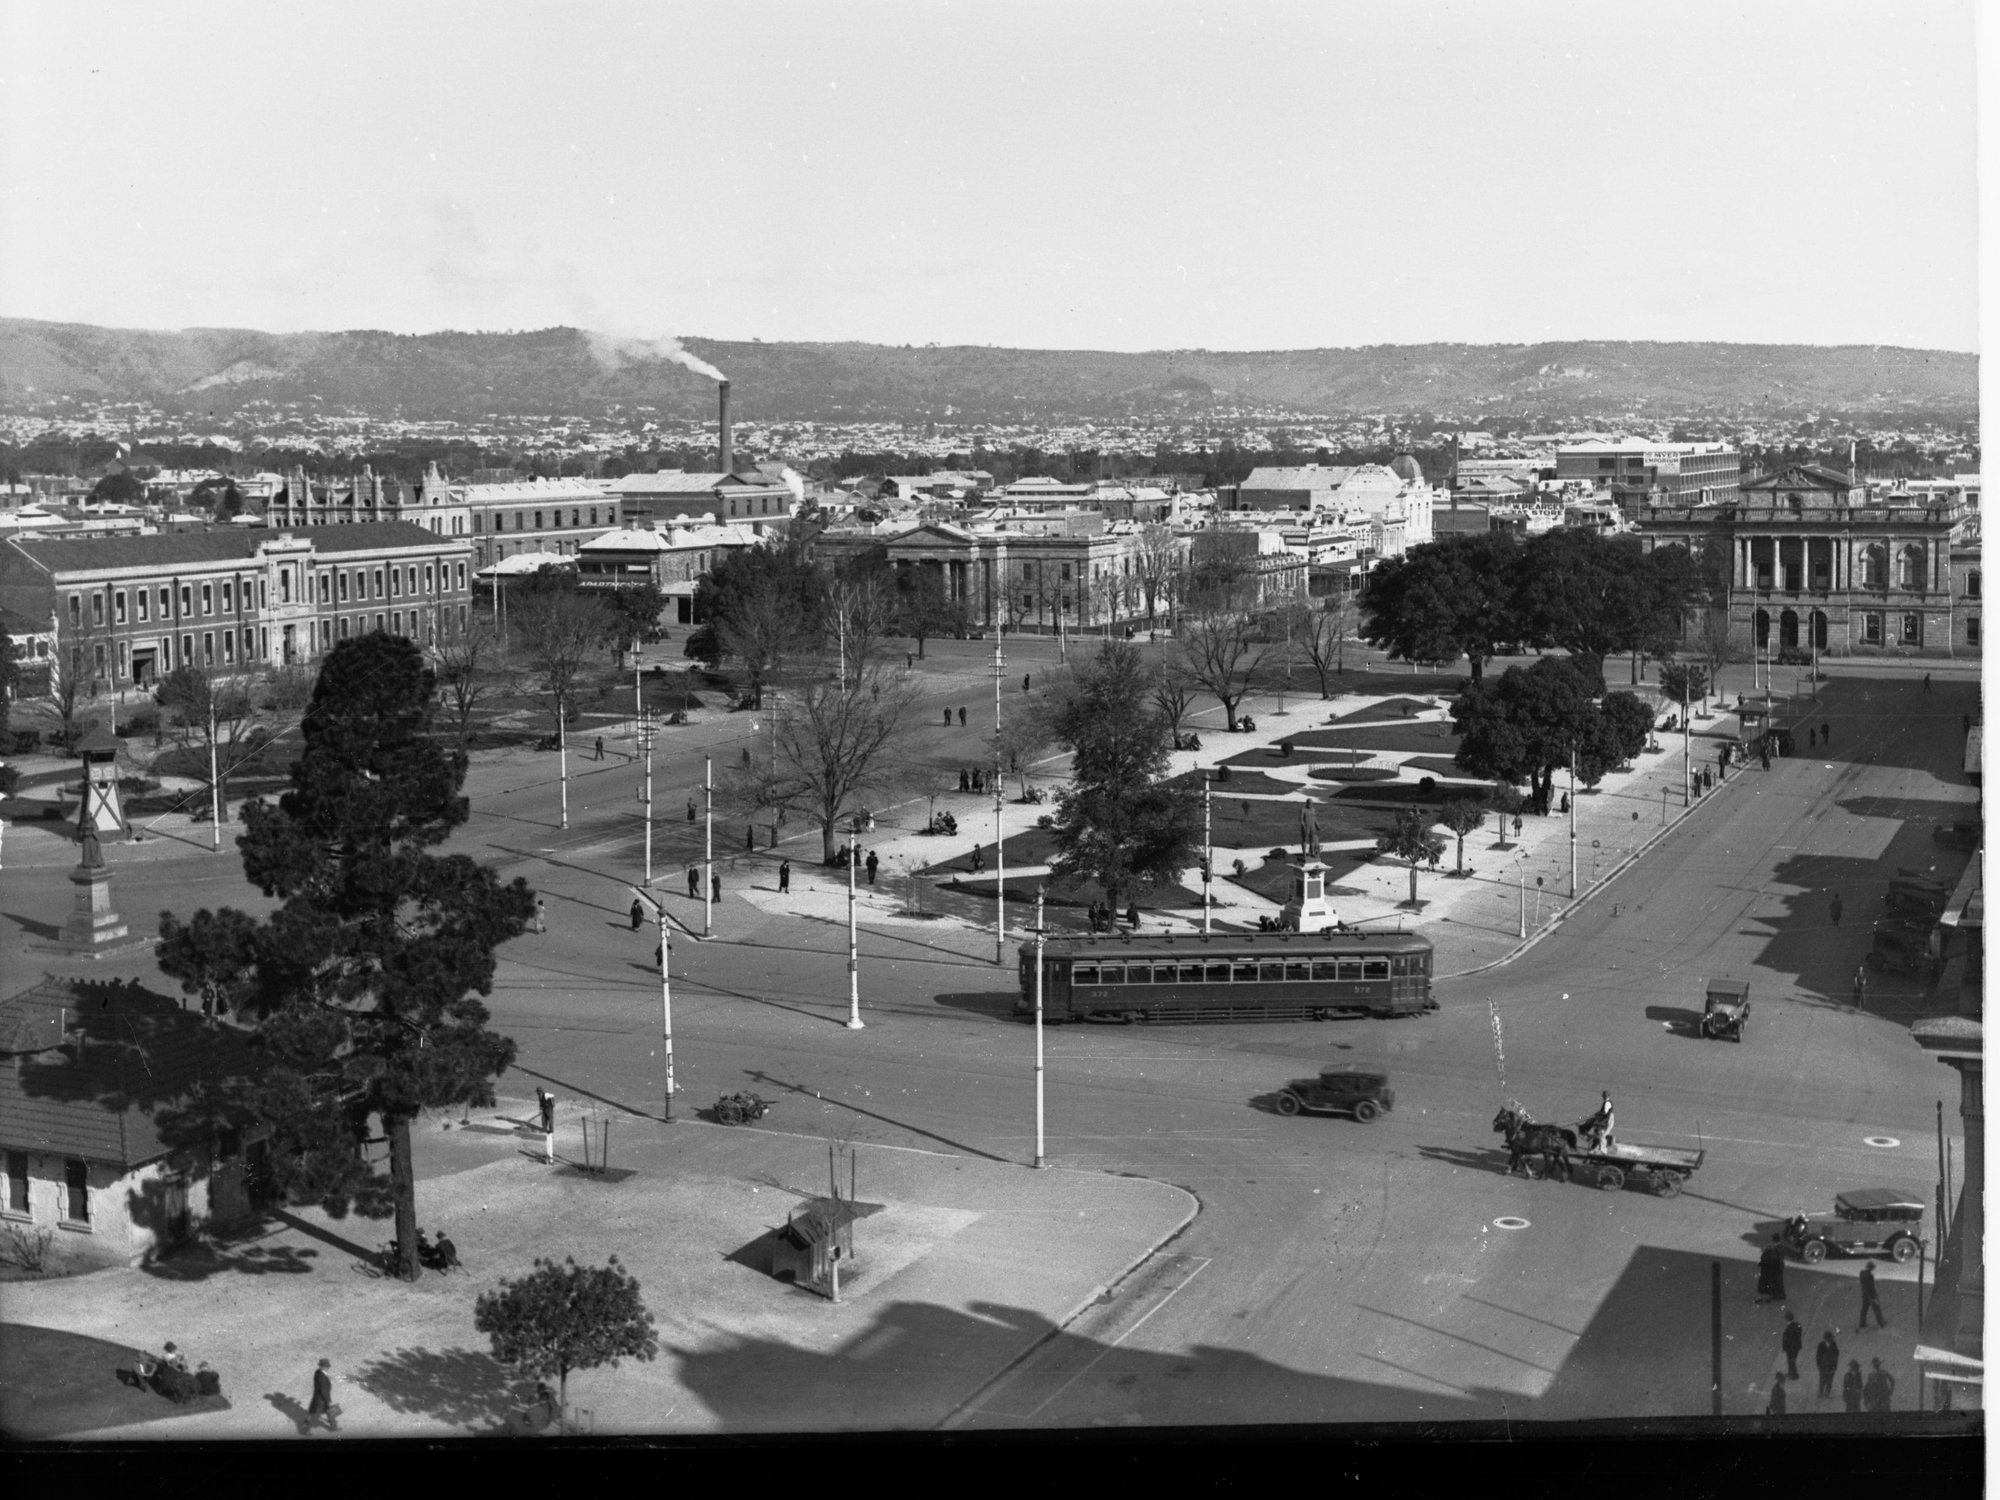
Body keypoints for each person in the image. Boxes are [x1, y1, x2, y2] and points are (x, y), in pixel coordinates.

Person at [308, 1358, 337, 1432]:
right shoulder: (322, 1377)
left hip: (318, 1397)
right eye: (327, 1367)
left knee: (327, 1411)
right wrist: (327, 1400)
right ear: (323, 1367)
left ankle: (332, 1425)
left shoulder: (318, 1372)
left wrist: (328, 1378)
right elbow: (323, 1390)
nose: (328, 1368)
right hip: (322, 1399)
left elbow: (321, 1380)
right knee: (323, 1412)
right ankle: (305, 1429)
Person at [1756, 1236, 1788, 1303]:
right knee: (1778, 1282)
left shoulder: (1774, 1250)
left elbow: (1771, 1260)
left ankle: (1777, 1295)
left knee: (1776, 1282)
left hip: (1776, 1268)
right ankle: (1779, 1295)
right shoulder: (1779, 1248)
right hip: (1778, 1267)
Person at [1858, 1261, 1885, 1329]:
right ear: (1871, 1268)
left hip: (1864, 1294)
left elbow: (1862, 1283)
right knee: (1877, 1309)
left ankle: (1862, 1323)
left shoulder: (1861, 1273)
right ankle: (1881, 1323)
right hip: (1871, 1296)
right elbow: (1871, 1287)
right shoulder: (1870, 1276)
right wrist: (1874, 1297)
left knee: (1864, 1309)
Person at [1815, 1329, 1841, 1399]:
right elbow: (1818, 1356)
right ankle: (1821, 1392)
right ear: (1826, 1338)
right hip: (1823, 1366)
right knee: (1822, 1380)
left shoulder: (1834, 1344)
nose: (1831, 1339)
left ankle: (1827, 1392)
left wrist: (1834, 1365)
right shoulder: (1821, 1345)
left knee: (1830, 1380)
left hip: (1831, 1366)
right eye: (1830, 1338)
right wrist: (1819, 1365)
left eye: (1831, 1338)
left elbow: (1837, 1354)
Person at [1781, 1310, 1803, 1380]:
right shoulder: (1797, 1325)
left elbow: (1787, 1338)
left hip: (1791, 1347)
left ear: (1787, 1318)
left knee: (1791, 1361)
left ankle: (1794, 1375)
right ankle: (1791, 1373)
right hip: (1795, 1346)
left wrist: (1784, 1347)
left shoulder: (1789, 1327)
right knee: (1792, 1360)